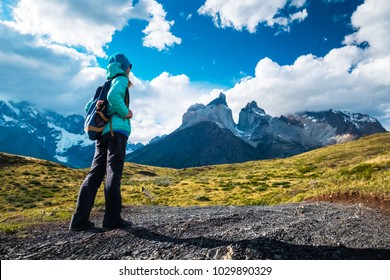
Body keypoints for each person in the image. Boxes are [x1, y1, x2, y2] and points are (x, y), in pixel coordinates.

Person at [69, 53, 133, 232]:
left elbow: (87, 107)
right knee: (113, 173)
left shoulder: (104, 84)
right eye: (130, 66)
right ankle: (112, 220)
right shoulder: (120, 79)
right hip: (116, 131)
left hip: (101, 133)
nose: (130, 70)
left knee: (95, 174)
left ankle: (79, 221)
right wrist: (125, 112)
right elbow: (114, 97)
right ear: (124, 67)